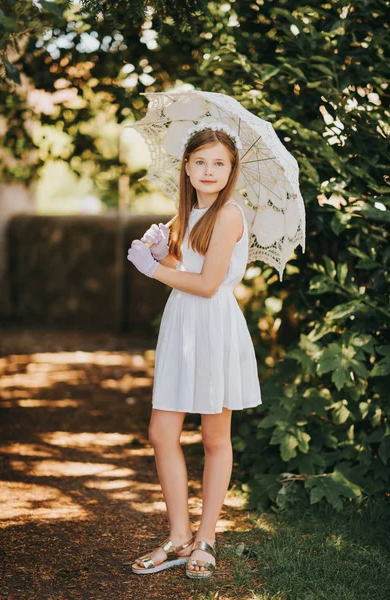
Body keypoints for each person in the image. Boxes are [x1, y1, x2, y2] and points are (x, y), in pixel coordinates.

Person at [126, 122, 262, 579]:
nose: (208, 170)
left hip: (214, 327)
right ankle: (179, 537)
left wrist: (152, 271)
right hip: (180, 326)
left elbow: (206, 285)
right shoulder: (186, 215)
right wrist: (162, 252)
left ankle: (206, 539)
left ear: (230, 171)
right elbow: (183, 270)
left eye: (218, 163)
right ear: (185, 167)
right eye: (200, 161)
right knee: (162, 433)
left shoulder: (229, 215)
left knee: (213, 438)